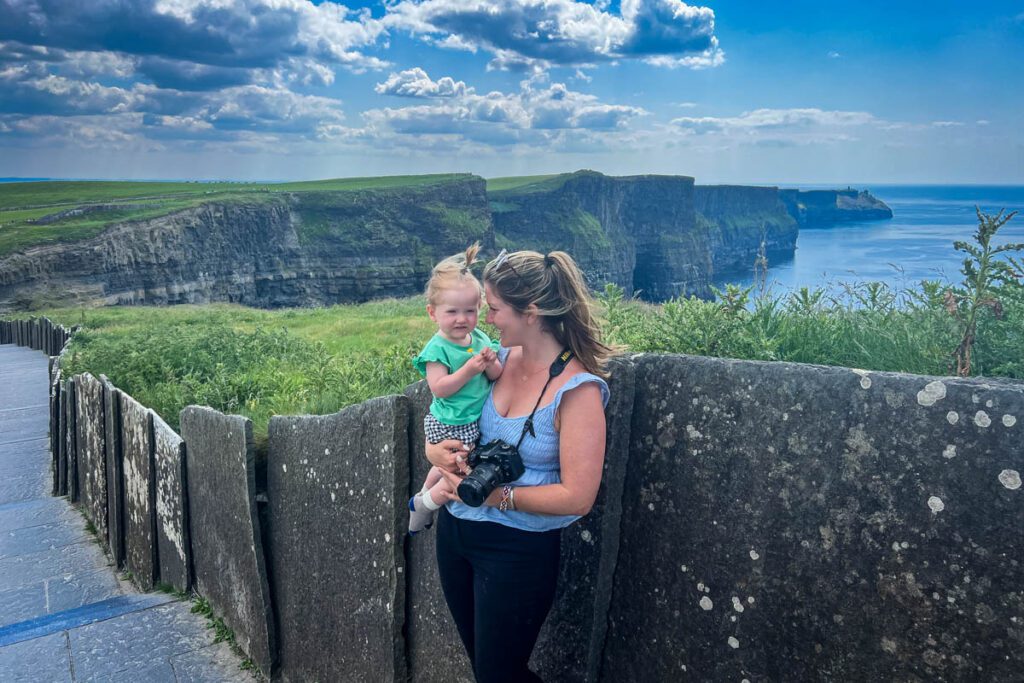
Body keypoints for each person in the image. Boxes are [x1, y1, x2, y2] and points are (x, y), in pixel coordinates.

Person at [425, 248, 613, 683]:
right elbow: (448, 416)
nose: (485, 319)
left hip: (516, 550)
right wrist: (433, 454)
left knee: (498, 674)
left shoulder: (577, 390)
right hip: (456, 531)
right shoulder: (496, 361)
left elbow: (579, 497)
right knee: (486, 668)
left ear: (531, 312)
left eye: (493, 309)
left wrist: (499, 495)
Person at [409, 244, 503, 534]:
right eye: (452, 312)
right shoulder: (437, 348)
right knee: (456, 472)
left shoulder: (479, 337)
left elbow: (497, 374)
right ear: (432, 313)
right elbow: (439, 388)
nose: (462, 319)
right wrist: (469, 369)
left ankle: (420, 499)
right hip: (450, 420)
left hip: (470, 420)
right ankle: (425, 504)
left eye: (470, 311)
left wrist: (489, 363)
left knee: (445, 468)